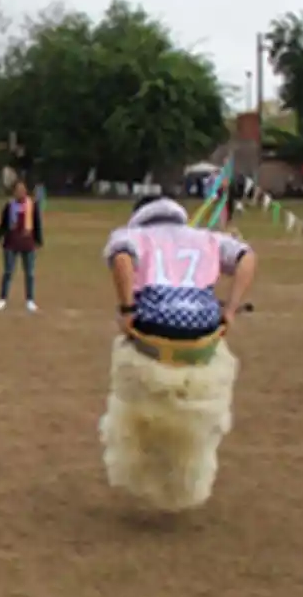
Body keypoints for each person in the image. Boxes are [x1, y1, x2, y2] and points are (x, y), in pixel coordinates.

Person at [97, 195, 257, 513]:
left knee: (131, 390)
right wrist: (232, 308)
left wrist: (127, 309)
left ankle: (144, 457)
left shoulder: (130, 236)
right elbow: (246, 256)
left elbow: (121, 259)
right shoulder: (208, 238)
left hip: (154, 327)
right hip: (202, 328)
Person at [0, 179, 44, 313]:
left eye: (22, 189)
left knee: (29, 273)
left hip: (28, 243)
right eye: (17, 190)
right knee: (8, 272)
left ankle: (30, 300)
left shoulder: (32, 205)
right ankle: (2, 299)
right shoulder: (9, 206)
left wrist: (39, 240)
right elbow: (3, 224)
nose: (20, 192)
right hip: (11, 242)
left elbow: (37, 224)